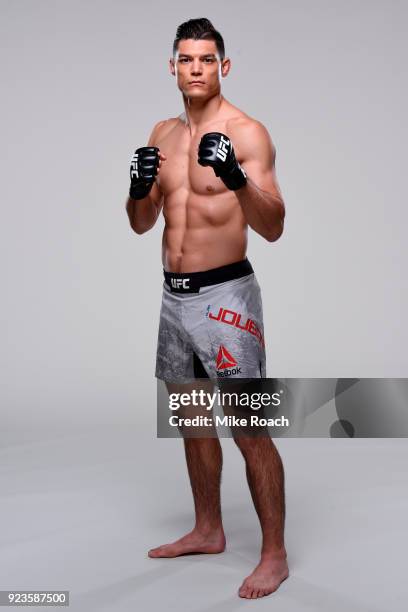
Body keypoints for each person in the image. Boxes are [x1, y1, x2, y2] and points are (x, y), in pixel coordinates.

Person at [126, 18, 288, 599]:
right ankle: (208, 528)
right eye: (187, 60)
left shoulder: (247, 132)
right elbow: (142, 223)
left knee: (249, 428)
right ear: (173, 67)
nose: (197, 69)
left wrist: (236, 178)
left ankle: (274, 555)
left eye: (207, 59)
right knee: (193, 425)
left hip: (227, 297)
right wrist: (137, 189)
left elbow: (273, 227)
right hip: (175, 298)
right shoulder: (162, 133)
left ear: (224, 66)